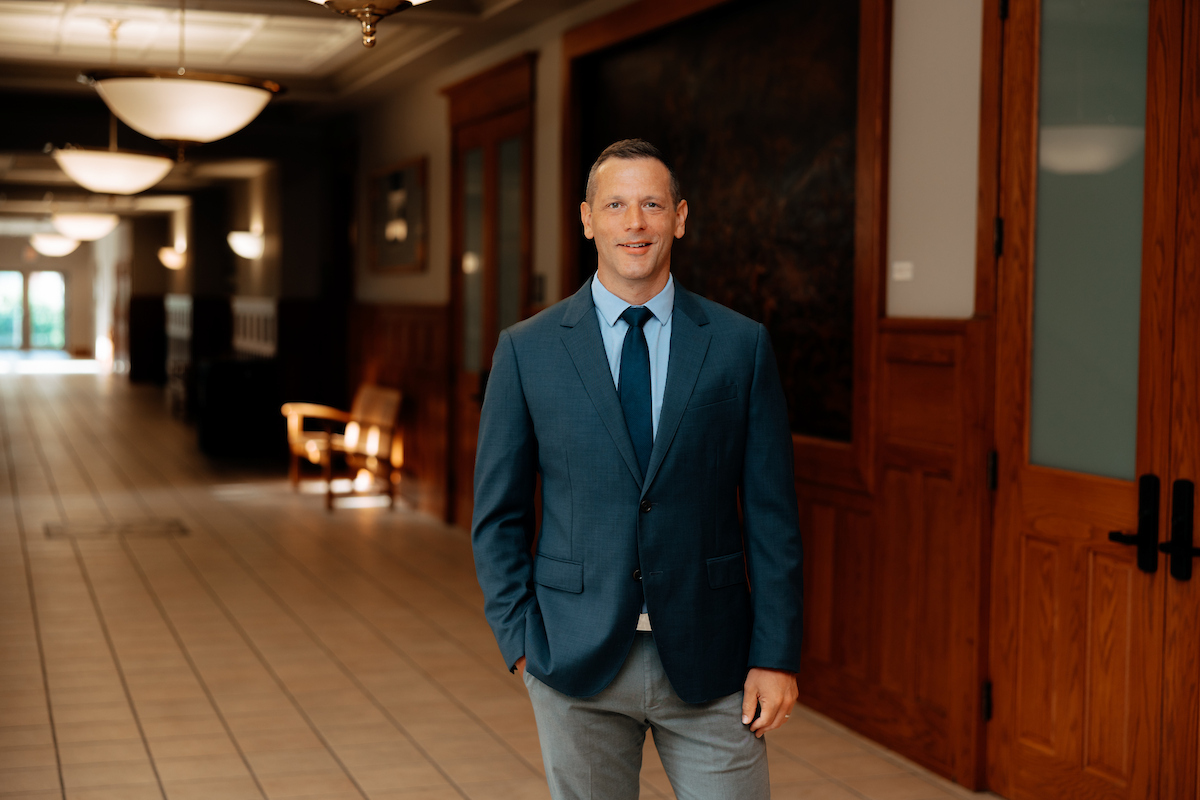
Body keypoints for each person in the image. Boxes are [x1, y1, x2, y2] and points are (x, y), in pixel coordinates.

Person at [471, 138, 803, 800]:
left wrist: (775, 654)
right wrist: (520, 641)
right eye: (616, 205)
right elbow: (498, 514)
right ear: (587, 219)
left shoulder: (741, 347)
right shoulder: (526, 351)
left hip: (714, 662)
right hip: (573, 658)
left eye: (652, 204)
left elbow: (772, 516)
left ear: (679, 217)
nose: (635, 223)